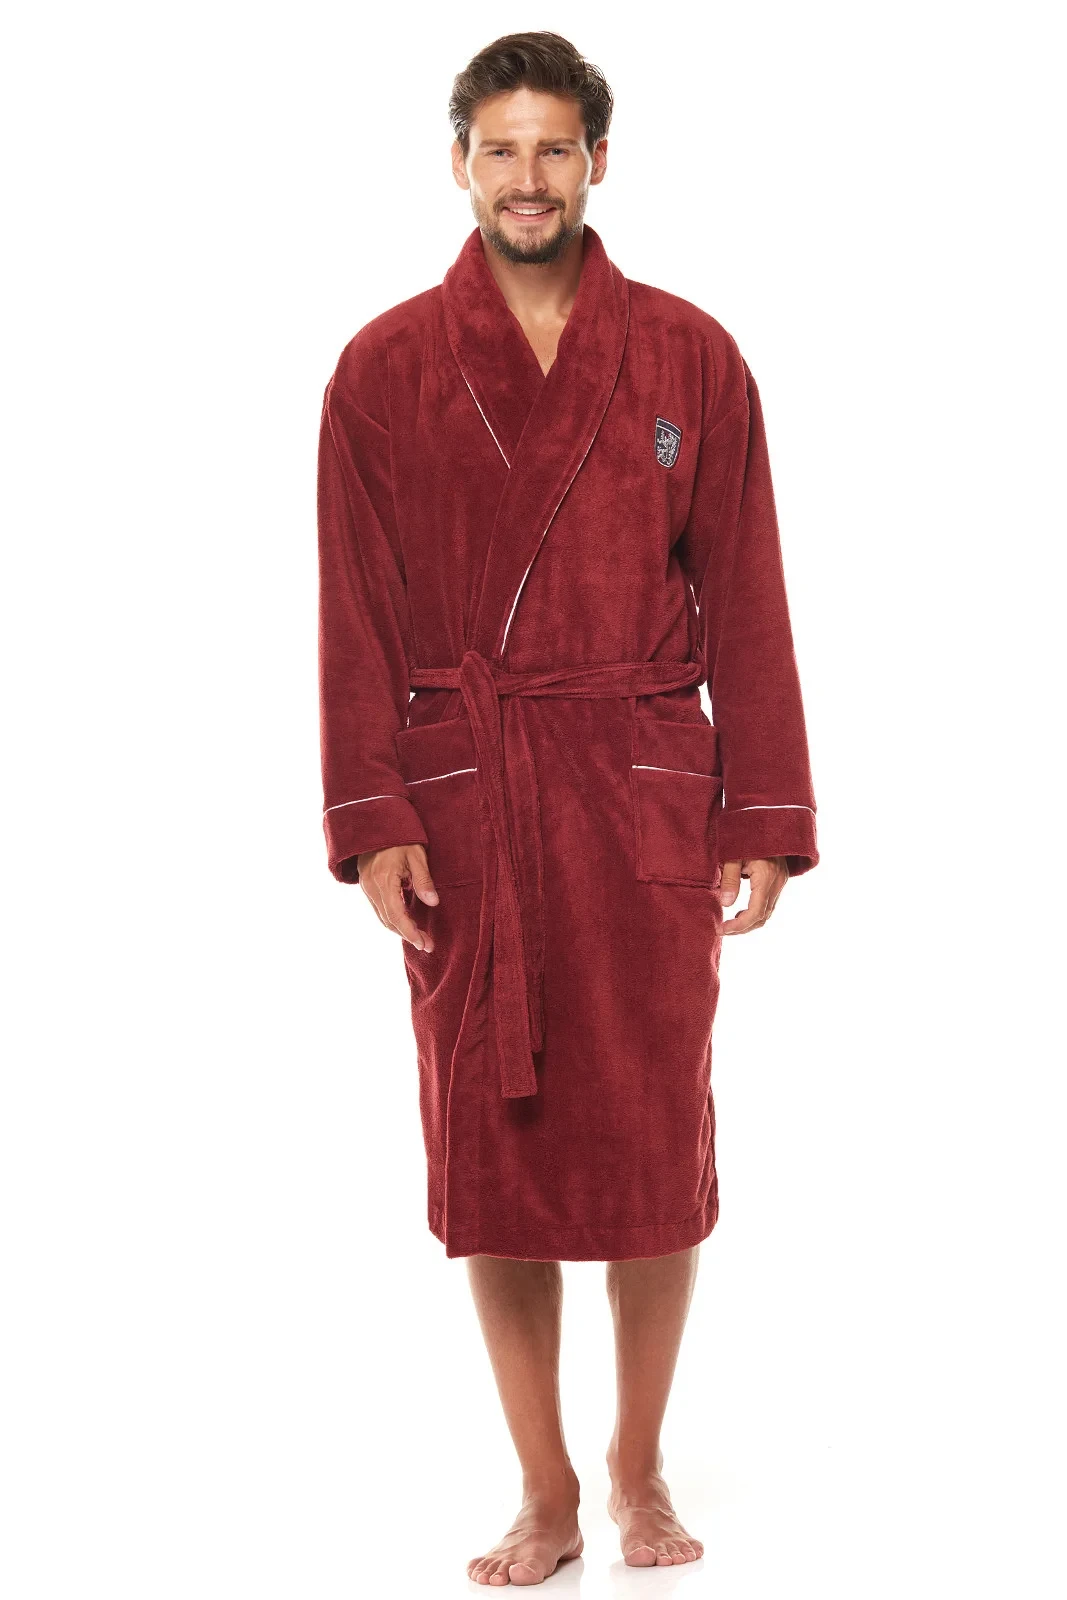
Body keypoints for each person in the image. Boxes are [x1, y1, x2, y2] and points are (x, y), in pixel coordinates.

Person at [316, 30, 819, 1587]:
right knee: (499, 1157)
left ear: (598, 160)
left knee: (654, 1145)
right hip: (473, 809)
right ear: (456, 164)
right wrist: (374, 812)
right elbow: (353, 609)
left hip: (640, 793)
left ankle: (635, 1463)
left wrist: (760, 812)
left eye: (553, 148)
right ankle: (543, 1490)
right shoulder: (385, 370)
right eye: (499, 149)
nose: (526, 177)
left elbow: (745, 592)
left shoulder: (687, 358)